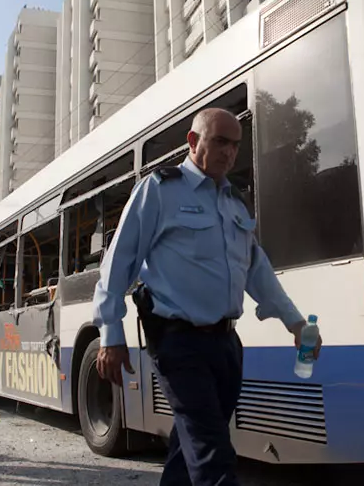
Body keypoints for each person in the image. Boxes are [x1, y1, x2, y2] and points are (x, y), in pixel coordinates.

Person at [92, 108, 321, 486]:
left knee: (191, 446)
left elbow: (256, 271)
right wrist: (111, 335)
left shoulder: (235, 203)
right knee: (213, 454)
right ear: (193, 141)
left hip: (226, 344)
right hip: (177, 342)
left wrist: (295, 323)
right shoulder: (160, 189)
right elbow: (118, 264)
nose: (229, 152)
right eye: (219, 141)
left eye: (235, 145)